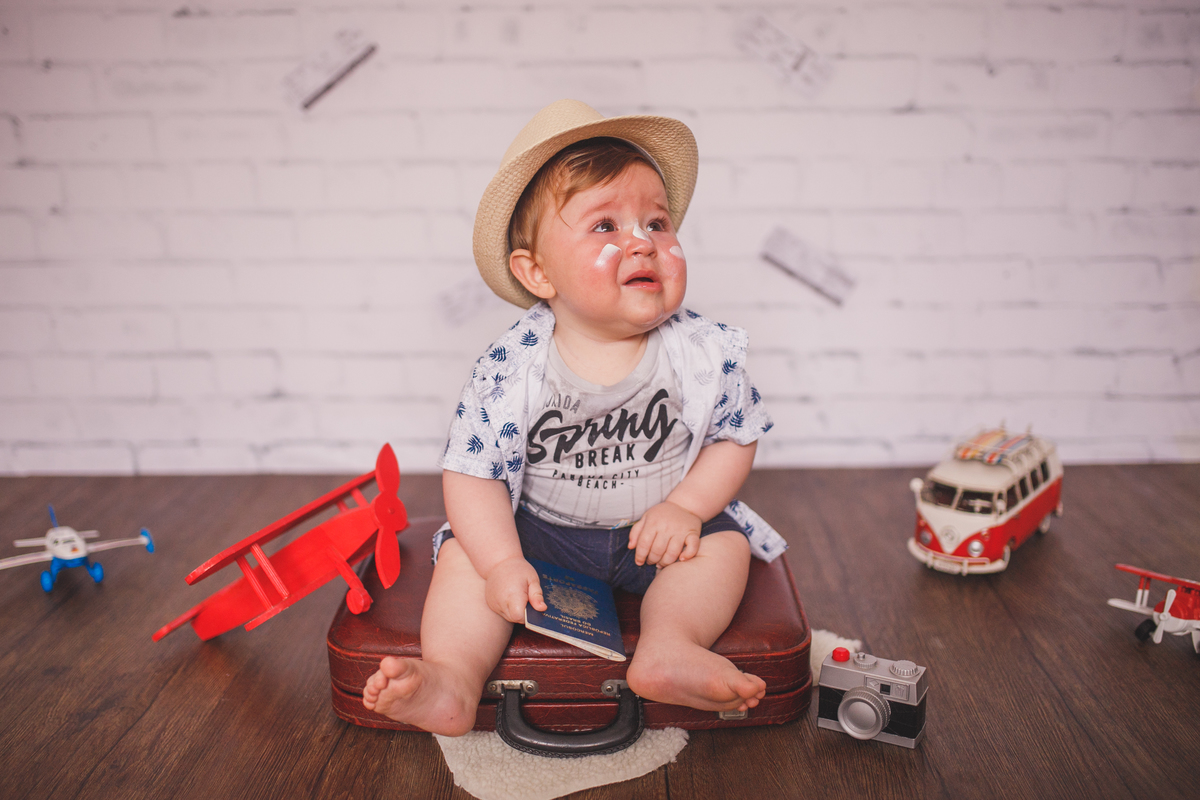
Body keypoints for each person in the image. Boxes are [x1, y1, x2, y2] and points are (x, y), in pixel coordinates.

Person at [362, 99, 787, 736]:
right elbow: (472, 475)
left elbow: (735, 436)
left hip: (658, 534)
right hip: (543, 536)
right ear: (538, 273)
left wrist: (689, 508)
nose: (641, 241)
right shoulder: (514, 367)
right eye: (605, 227)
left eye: (656, 222)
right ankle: (451, 677)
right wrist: (504, 560)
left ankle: (669, 647)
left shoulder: (701, 352)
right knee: (465, 562)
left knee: (722, 548)